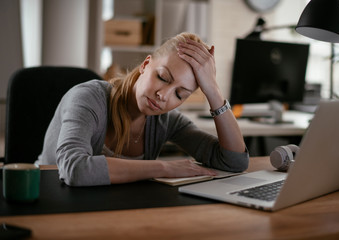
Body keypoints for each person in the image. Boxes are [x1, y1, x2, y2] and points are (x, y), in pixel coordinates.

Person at [36, 32, 249, 186]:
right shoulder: (88, 98)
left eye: (179, 94)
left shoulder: (166, 120)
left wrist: (214, 92)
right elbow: (75, 169)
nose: (163, 96)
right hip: (49, 199)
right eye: (163, 77)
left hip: (108, 209)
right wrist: (164, 168)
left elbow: (234, 161)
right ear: (146, 65)